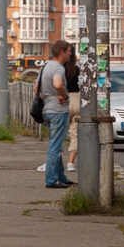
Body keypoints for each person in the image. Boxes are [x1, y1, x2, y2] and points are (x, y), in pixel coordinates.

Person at [41, 40, 74, 189]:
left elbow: (38, 89)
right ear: (62, 52)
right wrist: (64, 97)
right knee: (55, 147)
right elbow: (58, 84)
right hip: (58, 112)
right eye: (69, 51)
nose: (70, 54)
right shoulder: (58, 68)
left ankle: (61, 178)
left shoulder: (45, 67)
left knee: (57, 145)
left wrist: (50, 97)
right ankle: (52, 180)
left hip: (47, 110)